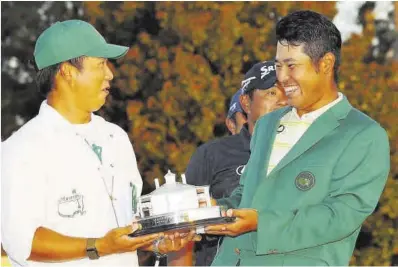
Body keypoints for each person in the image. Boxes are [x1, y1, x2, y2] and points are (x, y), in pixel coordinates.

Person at [1, 20, 196, 267]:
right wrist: (99, 247)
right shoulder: (21, 149)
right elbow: (21, 243)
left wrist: (156, 242)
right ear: (67, 71)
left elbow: (125, 228)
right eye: (101, 64)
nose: (110, 74)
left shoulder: (116, 138)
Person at [206, 10, 390, 266]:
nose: (282, 77)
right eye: (279, 65)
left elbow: (339, 217)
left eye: (292, 66)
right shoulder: (268, 123)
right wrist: (207, 210)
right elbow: (245, 195)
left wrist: (262, 223)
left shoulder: (364, 135)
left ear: (325, 64)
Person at [168, 61, 287, 266]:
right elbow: (182, 234)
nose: (283, 101)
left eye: (289, 93)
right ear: (246, 102)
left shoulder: (308, 153)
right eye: (272, 93)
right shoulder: (212, 154)